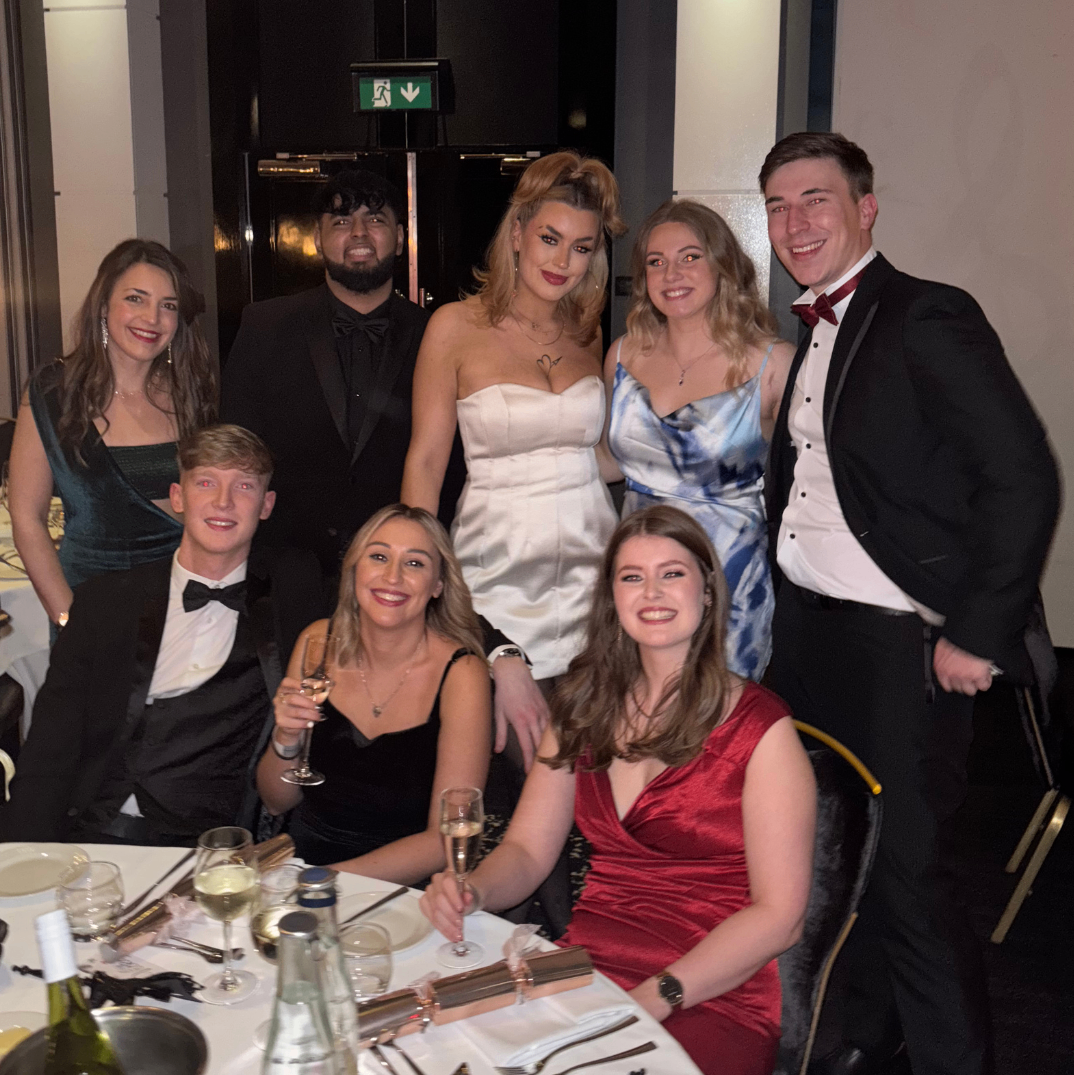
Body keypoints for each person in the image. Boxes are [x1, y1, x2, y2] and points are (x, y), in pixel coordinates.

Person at [759, 132, 1060, 1075]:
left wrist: (975, 631)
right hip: (808, 639)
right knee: (840, 855)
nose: (795, 223)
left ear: (865, 207)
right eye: (778, 206)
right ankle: (873, 1027)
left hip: (898, 650)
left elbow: (1023, 477)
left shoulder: (928, 313)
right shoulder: (811, 328)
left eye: (815, 199)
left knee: (911, 875)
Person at [420, 506, 817, 1075]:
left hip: (710, 991)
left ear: (708, 591)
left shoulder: (762, 728)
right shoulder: (582, 710)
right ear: (612, 598)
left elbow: (781, 917)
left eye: (672, 573)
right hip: (585, 967)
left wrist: (654, 998)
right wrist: (473, 890)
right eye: (632, 577)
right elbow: (527, 852)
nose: (652, 592)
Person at [402, 151, 626, 772]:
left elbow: (596, 458)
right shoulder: (454, 326)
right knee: (507, 778)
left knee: (590, 778)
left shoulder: (588, 333)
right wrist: (418, 578)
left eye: (581, 248)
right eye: (550, 238)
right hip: (493, 580)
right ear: (519, 232)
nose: (562, 261)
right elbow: (425, 463)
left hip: (593, 581)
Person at [0, 425, 324, 846]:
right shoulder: (105, 602)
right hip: (93, 830)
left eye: (244, 486)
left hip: (209, 844)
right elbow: (50, 745)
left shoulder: (294, 594)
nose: (223, 501)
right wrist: (19, 851)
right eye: (206, 482)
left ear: (266, 505)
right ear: (178, 497)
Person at [220, 168, 465, 581]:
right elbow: (234, 448)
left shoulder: (438, 335)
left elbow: (456, 464)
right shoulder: (264, 325)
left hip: (401, 573)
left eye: (375, 219)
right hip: (285, 570)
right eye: (340, 221)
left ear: (400, 238)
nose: (358, 233)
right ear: (318, 238)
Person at [605, 199, 793, 680]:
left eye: (690, 257)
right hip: (639, 578)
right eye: (656, 262)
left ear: (722, 264)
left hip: (727, 582)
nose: (672, 274)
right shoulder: (622, 355)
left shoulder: (773, 364)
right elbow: (608, 461)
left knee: (716, 717)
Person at [257, 504, 492, 883]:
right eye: (379, 557)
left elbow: (445, 839)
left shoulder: (463, 673)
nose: (392, 576)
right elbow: (275, 801)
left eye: (414, 563)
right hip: (302, 863)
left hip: (405, 885)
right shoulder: (318, 642)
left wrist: (322, 882)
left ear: (438, 585)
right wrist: (286, 738)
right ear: (354, 571)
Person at [9, 239, 217, 630]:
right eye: (136, 299)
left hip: (185, 607)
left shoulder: (191, 392)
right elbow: (26, 519)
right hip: (90, 608)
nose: (152, 318)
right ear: (103, 306)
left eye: (168, 305)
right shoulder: (54, 393)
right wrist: (69, 621)